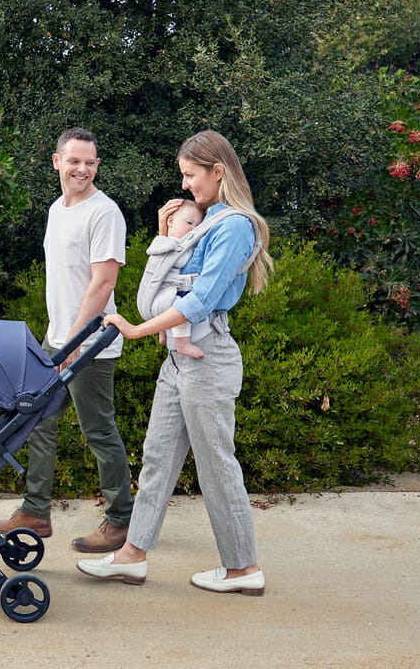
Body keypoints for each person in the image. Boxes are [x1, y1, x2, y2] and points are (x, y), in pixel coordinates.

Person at [77, 129, 273, 595]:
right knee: (158, 458)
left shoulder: (234, 226)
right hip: (179, 360)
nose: (186, 186)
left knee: (216, 465)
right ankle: (132, 556)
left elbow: (200, 300)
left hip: (208, 358)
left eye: (190, 175)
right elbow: (168, 278)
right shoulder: (206, 223)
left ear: (217, 171)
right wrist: (166, 236)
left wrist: (136, 330)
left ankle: (244, 569)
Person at [0, 127, 135, 554]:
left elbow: (104, 281)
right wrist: (59, 339)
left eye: (90, 162)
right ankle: (35, 513)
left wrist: (74, 341)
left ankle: (121, 520)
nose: (82, 169)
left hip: (91, 344)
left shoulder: (104, 213)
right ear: (57, 162)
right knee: (38, 422)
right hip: (60, 340)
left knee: (98, 430)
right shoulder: (57, 209)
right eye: (74, 161)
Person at [138, 198, 207, 359]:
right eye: (189, 223)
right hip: (161, 298)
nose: (193, 230)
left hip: (156, 296)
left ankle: (163, 333)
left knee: (168, 307)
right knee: (181, 307)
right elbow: (182, 261)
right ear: (170, 221)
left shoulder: (161, 241)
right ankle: (183, 344)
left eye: (197, 226)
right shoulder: (172, 245)